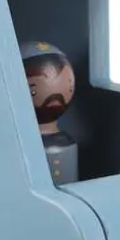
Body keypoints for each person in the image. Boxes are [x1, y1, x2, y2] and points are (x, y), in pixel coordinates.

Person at [20, 41, 79, 185]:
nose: (55, 98)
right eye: (33, 89)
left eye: (69, 87)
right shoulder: (20, 146)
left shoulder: (66, 143)